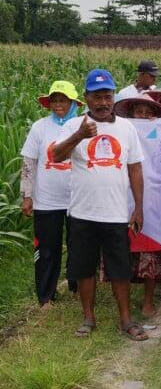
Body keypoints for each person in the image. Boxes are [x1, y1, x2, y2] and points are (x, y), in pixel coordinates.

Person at [53, 69, 147, 341]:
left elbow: (136, 170)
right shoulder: (73, 126)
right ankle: (88, 318)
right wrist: (79, 135)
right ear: (86, 98)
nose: (103, 102)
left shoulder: (126, 128)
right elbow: (57, 156)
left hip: (116, 212)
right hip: (83, 212)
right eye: (97, 97)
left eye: (107, 96)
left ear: (114, 97)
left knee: (119, 268)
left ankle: (127, 320)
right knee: (84, 267)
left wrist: (138, 207)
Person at [20, 80, 82, 308]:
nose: (58, 105)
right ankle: (46, 296)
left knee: (78, 245)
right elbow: (29, 161)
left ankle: (77, 287)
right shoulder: (40, 127)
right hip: (46, 200)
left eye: (63, 100)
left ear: (74, 102)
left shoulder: (83, 125)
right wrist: (27, 195)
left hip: (77, 199)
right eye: (54, 100)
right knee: (47, 249)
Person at [113, 93, 161, 317]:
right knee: (124, 250)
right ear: (130, 114)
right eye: (140, 112)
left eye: (150, 113)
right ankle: (125, 300)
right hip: (123, 196)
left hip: (153, 198)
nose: (145, 116)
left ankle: (148, 300)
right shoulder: (121, 132)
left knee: (151, 248)